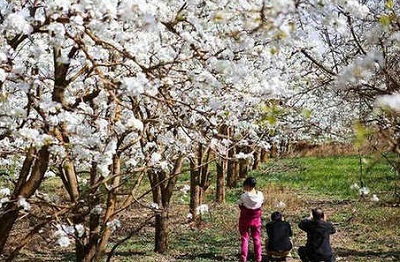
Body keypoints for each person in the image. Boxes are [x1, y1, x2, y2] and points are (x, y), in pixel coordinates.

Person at [237, 177, 264, 262]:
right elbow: (261, 204)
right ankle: (258, 257)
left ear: (248, 186)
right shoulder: (260, 194)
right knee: (257, 238)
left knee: (245, 238)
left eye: (244, 186)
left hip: (245, 219)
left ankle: (244, 257)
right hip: (256, 220)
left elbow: (240, 204)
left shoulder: (244, 196)